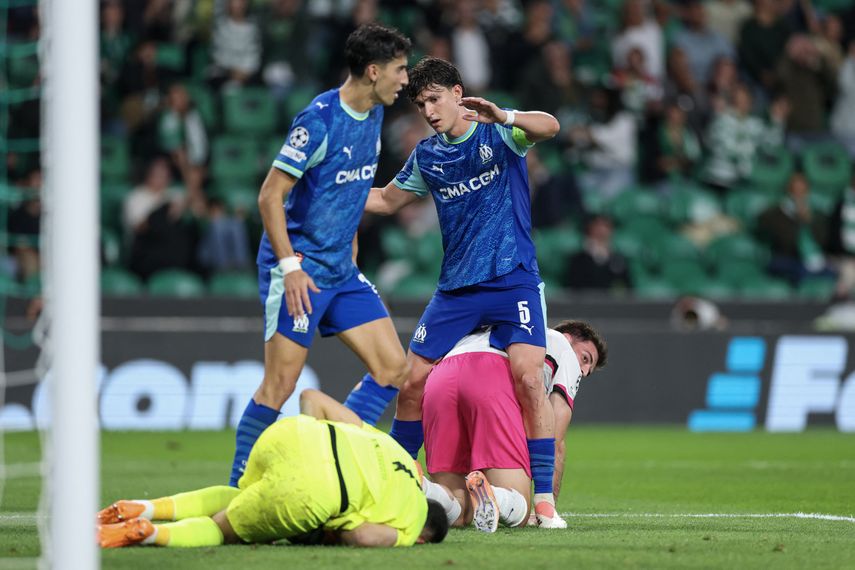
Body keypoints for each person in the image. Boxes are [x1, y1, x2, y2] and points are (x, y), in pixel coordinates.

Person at [363, 56, 562, 523]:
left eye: (435, 99)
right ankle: (394, 480)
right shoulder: (428, 156)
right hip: (456, 290)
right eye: (420, 104)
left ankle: (545, 501)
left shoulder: (499, 134)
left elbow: (550, 126)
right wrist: (333, 191)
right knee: (410, 381)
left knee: (530, 379)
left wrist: (507, 116)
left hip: (513, 279)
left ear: (458, 93)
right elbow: (388, 200)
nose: (429, 111)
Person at [227, 24, 412, 488]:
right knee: (280, 386)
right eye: (400, 70)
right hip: (301, 270)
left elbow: (343, 189)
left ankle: (334, 457)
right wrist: (290, 267)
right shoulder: (318, 120)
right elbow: (270, 197)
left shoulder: (373, 114)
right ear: (373, 71)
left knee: (394, 368)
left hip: (342, 272)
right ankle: (239, 490)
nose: (405, 80)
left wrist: (372, 218)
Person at [97, 401, 449, 549]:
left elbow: (313, 396)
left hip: (291, 435)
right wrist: (335, 532)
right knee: (224, 529)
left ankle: (141, 507)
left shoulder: (396, 453)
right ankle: (147, 532)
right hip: (314, 490)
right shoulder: (411, 524)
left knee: (242, 497)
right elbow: (366, 537)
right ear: (423, 538)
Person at [423, 320, 607, 531]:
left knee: (459, 512)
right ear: (567, 337)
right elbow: (555, 436)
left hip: (440, 379)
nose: (583, 371)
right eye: (585, 359)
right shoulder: (560, 344)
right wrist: (546, 505)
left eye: (588, 369)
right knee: (520, 506)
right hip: (489, 375)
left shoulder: (499, 327)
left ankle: (422, 487)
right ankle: (499, 498)